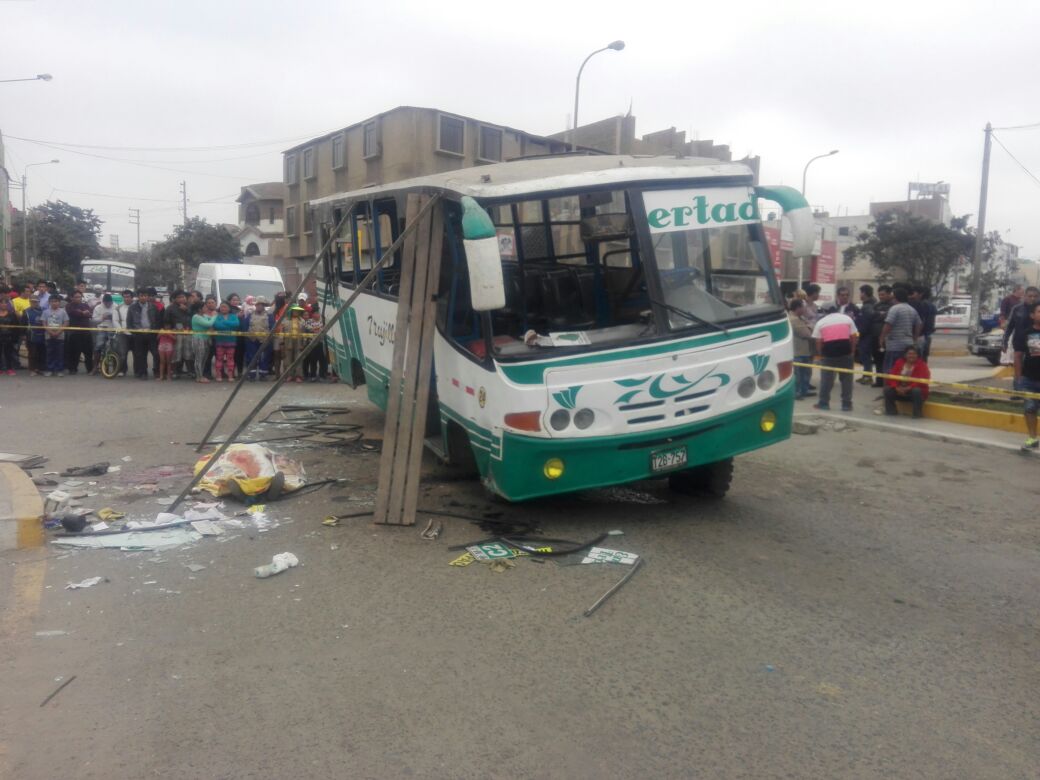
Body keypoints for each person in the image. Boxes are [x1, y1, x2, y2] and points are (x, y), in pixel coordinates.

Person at [811, 308, 859, 412]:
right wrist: (852, 351)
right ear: (837, 311)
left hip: (829, 355)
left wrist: (821, 355)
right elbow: (854, 336)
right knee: (847, 379)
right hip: (845, 353)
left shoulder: (821, 322)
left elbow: (818, 341)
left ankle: (823, 403)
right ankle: (846, 405)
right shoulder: (847, 319)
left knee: (826, 380)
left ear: (825, 312)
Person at [1012, 302, 1040, 451]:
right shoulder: (1026, 333)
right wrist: (1018, 378)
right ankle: (1032, 438)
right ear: (1032, 315)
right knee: (1030, 409)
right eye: (1039, 311)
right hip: (1029, 379)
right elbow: (1018, 356)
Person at [879, 285, 921, 376]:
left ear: (896, 297)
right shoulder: (911, 309)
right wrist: (915, 338)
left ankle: (889, 388)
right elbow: (919, 324)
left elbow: (888, 324)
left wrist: (881, 338)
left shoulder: (895, 309)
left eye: (892, 295)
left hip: (894, 345)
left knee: (890, 369)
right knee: (903, 369)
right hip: (908, 345)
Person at [883, 345, 930, 418]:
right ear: (905, 355)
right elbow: (892, 377)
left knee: (916, 391)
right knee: (887, 389)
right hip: (900, 390)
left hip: (913, 392)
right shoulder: (899, 362)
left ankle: (917, 414)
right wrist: (896, 387)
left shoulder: (922, 365)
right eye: (909, 354)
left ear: (917, 355)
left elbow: (922, 381)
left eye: (914, 354)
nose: (911, 356)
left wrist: (908, 388)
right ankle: (891, 411)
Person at [127, 287, 161, 379]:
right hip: (139, 334)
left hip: (151, 334)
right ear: (138, 296)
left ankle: (157, 371)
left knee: (156, 353)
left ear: (147, 297)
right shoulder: (132, 307)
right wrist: (134, 333)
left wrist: (156, 331)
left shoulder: (153, 307)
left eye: (145, 296)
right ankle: (143, 373)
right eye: (141, 296)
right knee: (141, 355)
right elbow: (129, 323)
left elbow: (158, 321)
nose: (143, 297)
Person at [163, 290, 195, 378]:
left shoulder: (191, 306)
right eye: (179, 297)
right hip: (176, 334)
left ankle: (191, 371)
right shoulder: (170, 308)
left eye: (183, 297)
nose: (181, 299)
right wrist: (170, 333)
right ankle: (177, 371)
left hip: (190, 333)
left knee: (189, 353)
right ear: (175, 299)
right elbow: (166, 321)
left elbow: (196, 317)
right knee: (177, 353)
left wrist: (187, 310)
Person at [1002, 286, 1040, 357]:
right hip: (1020, 340)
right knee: (1018, 358)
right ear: (1025, 296)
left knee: (1034, 361)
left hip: (1036, 340)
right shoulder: (1017, 309)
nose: (1033, 298)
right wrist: (1005, 342)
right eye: (1030, 296)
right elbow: (1010, 326)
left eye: (1035, 296)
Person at [788, 299, 814, 400]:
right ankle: (798, 392)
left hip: (802, 351)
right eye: (803, 307)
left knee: (804, 373)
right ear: (798, 308)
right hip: (798, 352)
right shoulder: (794, 319)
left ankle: (803, 390)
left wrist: (809, 326)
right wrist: (810, 327)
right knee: (799, 374)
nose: (805, 309)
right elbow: (807, 334)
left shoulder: (800, 318)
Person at [243, 296, 273, 380]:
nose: (259, 306)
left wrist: (269, 339)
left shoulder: (269, 316)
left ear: (264, 306)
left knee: (264, 357)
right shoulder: (250, 315)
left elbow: (272, 327)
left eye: (261, 305)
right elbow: (245, 326)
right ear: (255, 305)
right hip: (251, 340)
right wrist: (247, 337)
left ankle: (263, 374)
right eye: (258, 304)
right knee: (251, 357)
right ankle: (251, 375)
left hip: (264, 340)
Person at [64, 290, 94, 374]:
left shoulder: (85, 305)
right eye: (76, 297)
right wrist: (82, 313)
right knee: (74, 352)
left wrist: (84, 313)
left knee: (88, 352)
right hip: (75, 333)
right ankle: (72, 369)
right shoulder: (69, 306)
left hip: (86, 332)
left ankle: (90, 369)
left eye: (80, 297)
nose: (78, 298)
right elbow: (73, 313)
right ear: (72, 298)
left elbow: (90, 314)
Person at [90, 293, 119, 374]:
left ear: (112, 302)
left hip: (112, 329)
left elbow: (119, 319)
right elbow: (93, 321)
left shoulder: (116, 306)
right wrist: (102, 318)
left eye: (109, 303)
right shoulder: (98, 308)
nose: (108, 304)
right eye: (106, 303)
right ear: (103, 302)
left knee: (113, 348)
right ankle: (95, 367)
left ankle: (114, 368)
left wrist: (113, 317)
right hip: (101, 328)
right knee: (98, 347)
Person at [212, 301, 240, 382]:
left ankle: (230, 375)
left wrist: (224, 322)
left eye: (225, 307)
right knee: (219, 359)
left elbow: (236, 324)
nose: (223, 308)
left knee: (230, 359)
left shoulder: (233, 316)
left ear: (229, 308)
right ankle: (218, 375)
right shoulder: (217, 316)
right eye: (221, 307)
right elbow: (217, 325)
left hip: (231, 341)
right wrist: (229, 325)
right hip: (219, 341)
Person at [191, 297, 218, 383]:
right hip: (199, 339)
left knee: (204, 358)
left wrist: (212, 317)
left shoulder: (204, 315)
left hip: (206, 339)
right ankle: (199, 377)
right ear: (200, 309)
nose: (207, 308)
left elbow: (210, 321)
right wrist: (214, 316)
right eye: (205, 307)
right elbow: (208, 323)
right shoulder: (196, 317)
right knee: (199, 358)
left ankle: (201, 375)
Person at [909, 285, 937, 362]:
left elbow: (921, 321)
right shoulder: (931, 305)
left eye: (913, 293)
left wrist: (916, 335)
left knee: (918, 357)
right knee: (924, 358)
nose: (911, 295)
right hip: (928, 334)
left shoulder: (921, 304)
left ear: (920, 294)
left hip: (921, 335)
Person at [856, 285, 878, 384]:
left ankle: (868, 377)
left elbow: (866, 321)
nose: (860, 295)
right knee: (866, 356)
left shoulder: (868, 306)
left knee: (866, 356)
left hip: (867, 335)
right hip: (869, 334)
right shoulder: (872, 304)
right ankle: (866, 375)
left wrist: (860, 333)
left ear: (864, 293)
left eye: (861, 292)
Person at [43, 294, 69, 376]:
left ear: (59, 302)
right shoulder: (45, 312)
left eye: (56, 301)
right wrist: (50, 331)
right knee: (49, 353)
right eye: (52, 301)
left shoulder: (63, 312)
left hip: (60, 336)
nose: (54, 303)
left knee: (59, 353)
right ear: (49, 302)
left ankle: (59, 370)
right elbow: (44, 323)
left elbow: (66, 322)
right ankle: (49, 369)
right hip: (48, 335)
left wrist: (58, 332)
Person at [302, 306, 328, 382]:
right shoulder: (308, 321)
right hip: (311, 343)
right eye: (315, 313)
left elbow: (324, 329)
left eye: (318, 313)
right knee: (313, 360)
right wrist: (318, 329)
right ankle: (313, 375)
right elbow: (310, 329)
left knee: (322, 360)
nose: (317, 315)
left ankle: (322, 375)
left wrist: (316, 330)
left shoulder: (323, 321)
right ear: (312, 314)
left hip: (321, 343)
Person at [283, 305, 307, 382]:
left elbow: (304, 333)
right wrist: (281, 343)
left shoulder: (302, 321)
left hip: (299, 341)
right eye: (295, 311)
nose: (296, 312)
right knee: (288, 359)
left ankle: (298, 376)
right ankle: (289, 375)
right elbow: (281, 332)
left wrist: (304, 343)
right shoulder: (285, 321)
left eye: (298, 311)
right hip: (288, 341)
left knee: (298, 358)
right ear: (291, 311)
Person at [23, 295, 46, 376]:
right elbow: (23, 325)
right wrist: (24, 335)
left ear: (39, 302)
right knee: (32, 353)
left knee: (42, 352)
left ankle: (41, 368)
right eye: (32, 301)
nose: (34, 303)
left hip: (42, 334)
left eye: (36, 301)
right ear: (29, 302)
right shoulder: (26, 311)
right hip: (31, 335)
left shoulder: (44, 311)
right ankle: (32, 369)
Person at [0, 299, 19, 375]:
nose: (4, 304)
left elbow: (16, 327)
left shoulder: (12, 314)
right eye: (2, 303)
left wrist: (15, 338)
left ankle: (9, 368)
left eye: (5, 303)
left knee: (9, 353)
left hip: (9, 337)